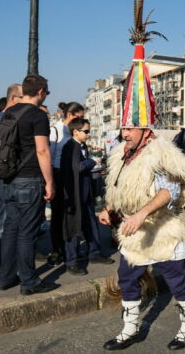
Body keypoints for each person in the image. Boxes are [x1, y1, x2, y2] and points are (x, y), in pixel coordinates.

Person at [99, 0, 185, 351]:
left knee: (175, 278)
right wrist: (110, 210)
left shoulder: (160, 152)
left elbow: (168, 193)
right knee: (128, 278)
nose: (122, 134)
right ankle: (129, 329)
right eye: (122, 129)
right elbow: (118, 189)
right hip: (133, 230)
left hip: (160, 227)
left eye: (129, 129)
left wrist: (141, 214)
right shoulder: (120, 154)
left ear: (144, 129)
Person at [0, 75, 58, 295]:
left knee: (10, 230)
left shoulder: (9, 112)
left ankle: (5, 277)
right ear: (41, 92)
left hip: (8, 180)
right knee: (27, 232)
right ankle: (29, 281)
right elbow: (42, 150)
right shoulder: (37, 116)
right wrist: (49, 182)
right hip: (29, 180)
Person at [61, 118, 114, 275]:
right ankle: (71, 261)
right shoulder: (70, 147)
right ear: (75, 131)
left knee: (91, 224)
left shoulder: (80, 145)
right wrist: (92, 161)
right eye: (86, 131)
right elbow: (77, 167)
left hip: (85, 194)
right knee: (74, 228)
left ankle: (94, 253)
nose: (88, 134)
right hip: (74, 195)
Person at [0, 84, 23, 270]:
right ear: (13, 98)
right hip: (6, 177)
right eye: (23, 97)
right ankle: (3, 265)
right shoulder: (4, 120)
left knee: (5, 222)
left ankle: (2, 263)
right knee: (5, 223)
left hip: (2, 177)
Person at [48, 101, 85, 266]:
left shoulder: (73, 131)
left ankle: (70, 248)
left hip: (71, 175)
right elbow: (49, 155)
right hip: (58, 174)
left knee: (70, 214)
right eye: (80, 117)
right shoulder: (55, 131)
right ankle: (57, 249)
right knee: (57, 215)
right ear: (71, 115)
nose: (82, 121)